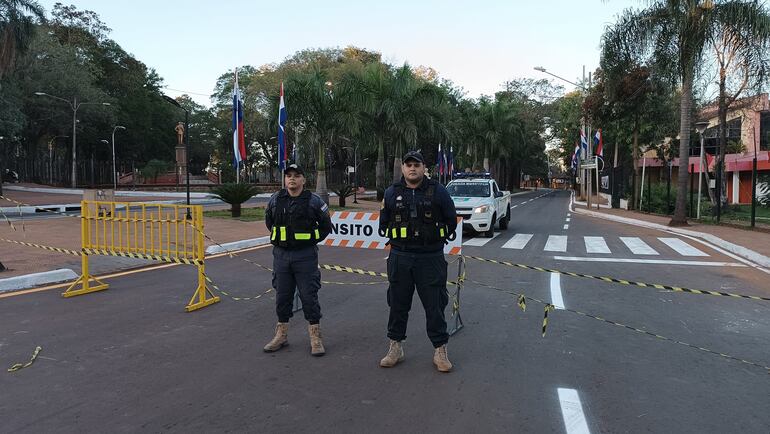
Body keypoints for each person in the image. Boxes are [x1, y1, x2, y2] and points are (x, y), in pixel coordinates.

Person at [379, 151, 457, 372]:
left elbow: (451, 221)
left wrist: (432, 238)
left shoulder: (438, 191)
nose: (412, 168)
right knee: (397, 303)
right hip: (400, 256)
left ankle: (440, 350)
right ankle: (395, 347)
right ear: (403, 168)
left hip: (430, 257)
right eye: (408, 165)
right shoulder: (391, 192)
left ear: (424, 168)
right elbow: (384, 223)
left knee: (435, 305)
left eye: (416, 165)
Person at [264, 164, 332, 356]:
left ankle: (315, 337)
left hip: (305, 256)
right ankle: (281, 335)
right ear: (285, 180)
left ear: (303, 180)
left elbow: (326, 227)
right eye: (289, 176)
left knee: (309, 296)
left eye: (296, 176)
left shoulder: (314, 201)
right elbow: (269, 222)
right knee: (282, 296)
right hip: (281, 255)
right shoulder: (276, 200)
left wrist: (310, 239)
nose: (292, 179)